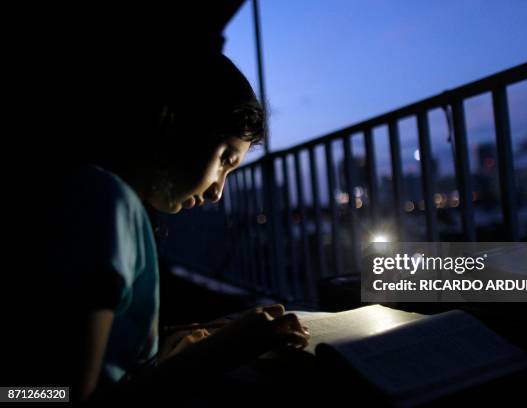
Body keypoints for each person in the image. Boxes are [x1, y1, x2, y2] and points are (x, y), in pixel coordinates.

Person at [7, 51, 310, 404]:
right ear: (171, 124)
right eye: (224, 159)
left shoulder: (101, 199)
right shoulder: (105, 201)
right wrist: (222, 353)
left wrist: (165, 353)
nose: (217, 192)